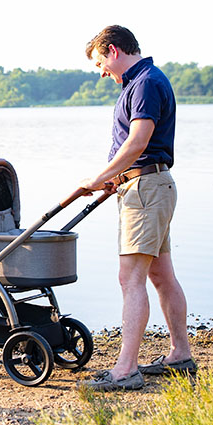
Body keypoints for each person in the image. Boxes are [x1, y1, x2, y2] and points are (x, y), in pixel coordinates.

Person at [78, 25, 196, 391]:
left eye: (100, 62)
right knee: (161, 276)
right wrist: (118, 178)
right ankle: (180, 354)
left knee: (130, 278)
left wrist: (100, 177)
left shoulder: (144, 82)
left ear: (113, 50)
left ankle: (126, 369)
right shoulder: (143, 80)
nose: (101, 72)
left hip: (146, 190)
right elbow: (137, 149)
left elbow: (137, 141)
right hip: (147, 186)